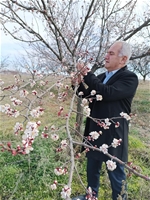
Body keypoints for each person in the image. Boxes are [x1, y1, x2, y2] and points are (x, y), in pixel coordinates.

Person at [72, 41, 139, 200]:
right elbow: (88, 96)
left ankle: (120, 198)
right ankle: (91, 196)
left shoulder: (129, 78)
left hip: (114, 135)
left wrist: (87, 74)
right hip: (94, 130)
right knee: (92, 170)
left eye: (111, 53)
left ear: (123, 59)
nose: (106, 56)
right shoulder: (102, 76)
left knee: (116, 175)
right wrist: (78, 84)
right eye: (107, 52)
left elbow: (107, 93)